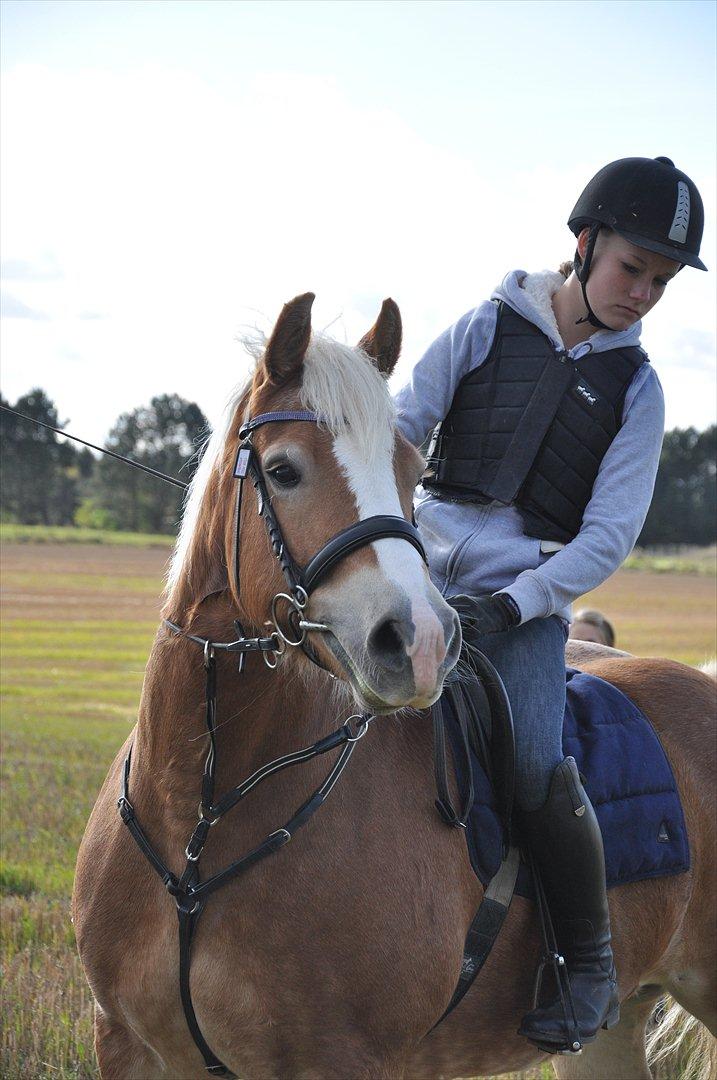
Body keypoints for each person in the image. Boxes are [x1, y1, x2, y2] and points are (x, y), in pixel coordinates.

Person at [393, 157, 706, 1053]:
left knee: (533, 763)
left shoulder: (638, 393)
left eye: (661, 279)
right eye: (630, 268)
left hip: (523, 610)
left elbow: (607, 539)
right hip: (418, 572)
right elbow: (404, 432)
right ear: (584, 243)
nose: (642, 292)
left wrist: (516, 602)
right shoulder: (485, 325)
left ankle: (588, 963)